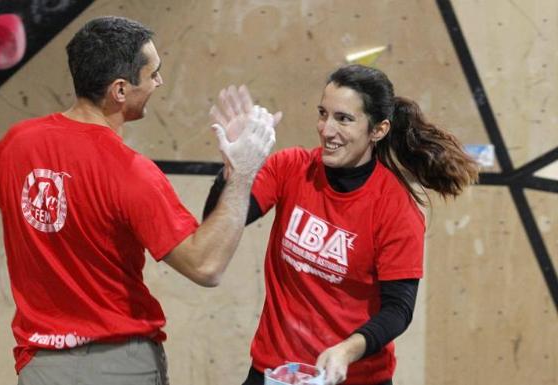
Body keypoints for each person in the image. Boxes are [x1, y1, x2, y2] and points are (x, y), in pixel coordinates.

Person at [0, 16, 278, 385]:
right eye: (154, 73)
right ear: (120, 90)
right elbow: (206, 266)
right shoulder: (131, 172)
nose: (160, 82)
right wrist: (243, 172)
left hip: (41, 368)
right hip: (119, 365)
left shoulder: (13, 145)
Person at [204, 64, 479, 385]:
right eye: (323, 114)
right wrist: (235, 168)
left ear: (378, 130)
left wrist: (347, 350)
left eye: (343, 119)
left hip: (354, 377)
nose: (326, 129)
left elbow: (398, 310)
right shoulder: (291, 167)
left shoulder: (395, 206)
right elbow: (215, 224)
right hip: (276, 372)